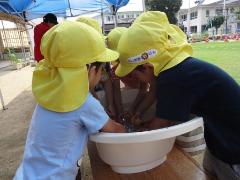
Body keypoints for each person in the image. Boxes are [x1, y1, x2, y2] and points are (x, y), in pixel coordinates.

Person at [115, 11, 240, 180]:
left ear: (147, 67)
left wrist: (134, 135)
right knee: (209, 170)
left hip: (233, 146)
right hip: (220, 134)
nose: (136, 80)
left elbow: (161, 123)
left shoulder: (172, 77)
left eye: (136, 75)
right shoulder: (178, 67)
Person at [14, 21, 125, 180]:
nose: (101, 75)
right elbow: (115, 130)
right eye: (101, 70)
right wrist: (129, 130)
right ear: (92, 71)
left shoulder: (49, 95)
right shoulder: (84, 103)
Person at [106, 27, 156, 125]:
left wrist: (135, 110)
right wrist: (120, 113)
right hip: (131, 88)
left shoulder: (146, 66)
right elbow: (116, 92)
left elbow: (146, 89)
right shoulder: (115, 70)